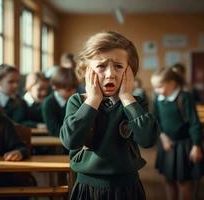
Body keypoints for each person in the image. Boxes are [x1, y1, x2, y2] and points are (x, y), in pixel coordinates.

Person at [61, 31, 159, 200]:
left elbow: (147, 139)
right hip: (87, 187)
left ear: (130, 72)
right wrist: (93, 99)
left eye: (119, 66)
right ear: (86, 70)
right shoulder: (78, 102)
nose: (110, 74)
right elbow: (70, 141)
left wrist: (127, 97)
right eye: (101, 66)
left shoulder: (135, 103)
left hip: (127, 187)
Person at [151, 67, 204, 200]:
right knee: (168, 180)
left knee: (183, 181)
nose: (156, 90)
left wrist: (196, 145)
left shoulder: (184, 97)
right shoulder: (157, 98)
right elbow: (156, 120)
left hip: (185, 145)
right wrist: (163, 137)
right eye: (154, 87)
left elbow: (194, 123)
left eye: (159, 86)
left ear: (172, 83)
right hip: (167, 144)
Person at [42, 67, 78, 138]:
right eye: (68, 89)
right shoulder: (48, 103)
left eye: (74, 88)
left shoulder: (75, 100)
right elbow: (53, 130)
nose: (73, 92)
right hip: (57, 142)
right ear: (55, 87)